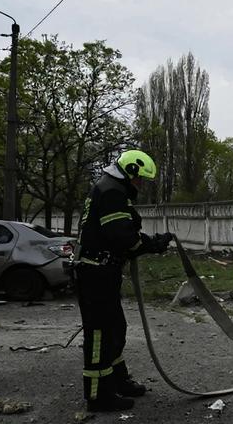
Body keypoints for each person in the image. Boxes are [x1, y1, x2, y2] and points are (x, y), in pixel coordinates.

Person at [74, 150, 172, 412]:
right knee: (100, 335)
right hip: (97, 273)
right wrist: (154, 244)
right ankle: (98, 395)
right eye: (140, 179)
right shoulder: (112, 193)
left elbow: (118, 233)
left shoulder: (109, 188)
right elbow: (123, 238)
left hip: (101, 270)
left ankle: (117, 381)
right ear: (130, 172)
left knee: (115, 328)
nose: (141, 185)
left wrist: (146, 241)